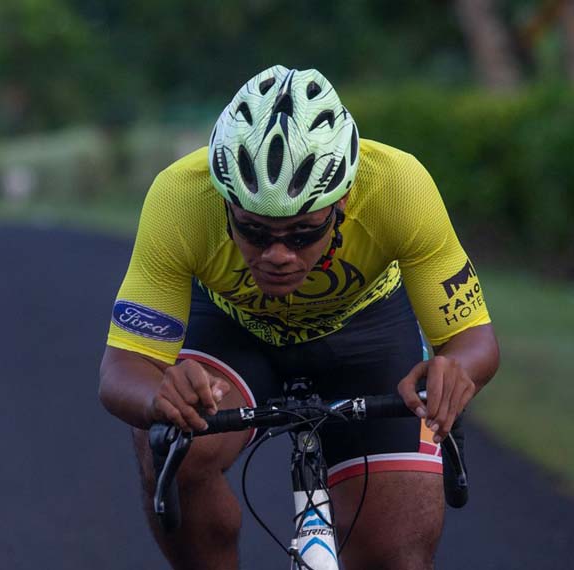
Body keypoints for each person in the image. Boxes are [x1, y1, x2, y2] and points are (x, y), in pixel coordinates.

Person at [98, 65, 500, 570]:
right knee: (176, 447)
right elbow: (122, 368)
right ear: (224, 201)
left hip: (366, 331)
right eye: (254, 232)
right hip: (235, 330)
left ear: (343, 200)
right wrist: (159, 396)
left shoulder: (398, 187)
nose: (278, 255)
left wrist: (456, 370)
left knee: (394, 556)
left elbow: (473, 339)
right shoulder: (180, 198)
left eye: (303, 234)